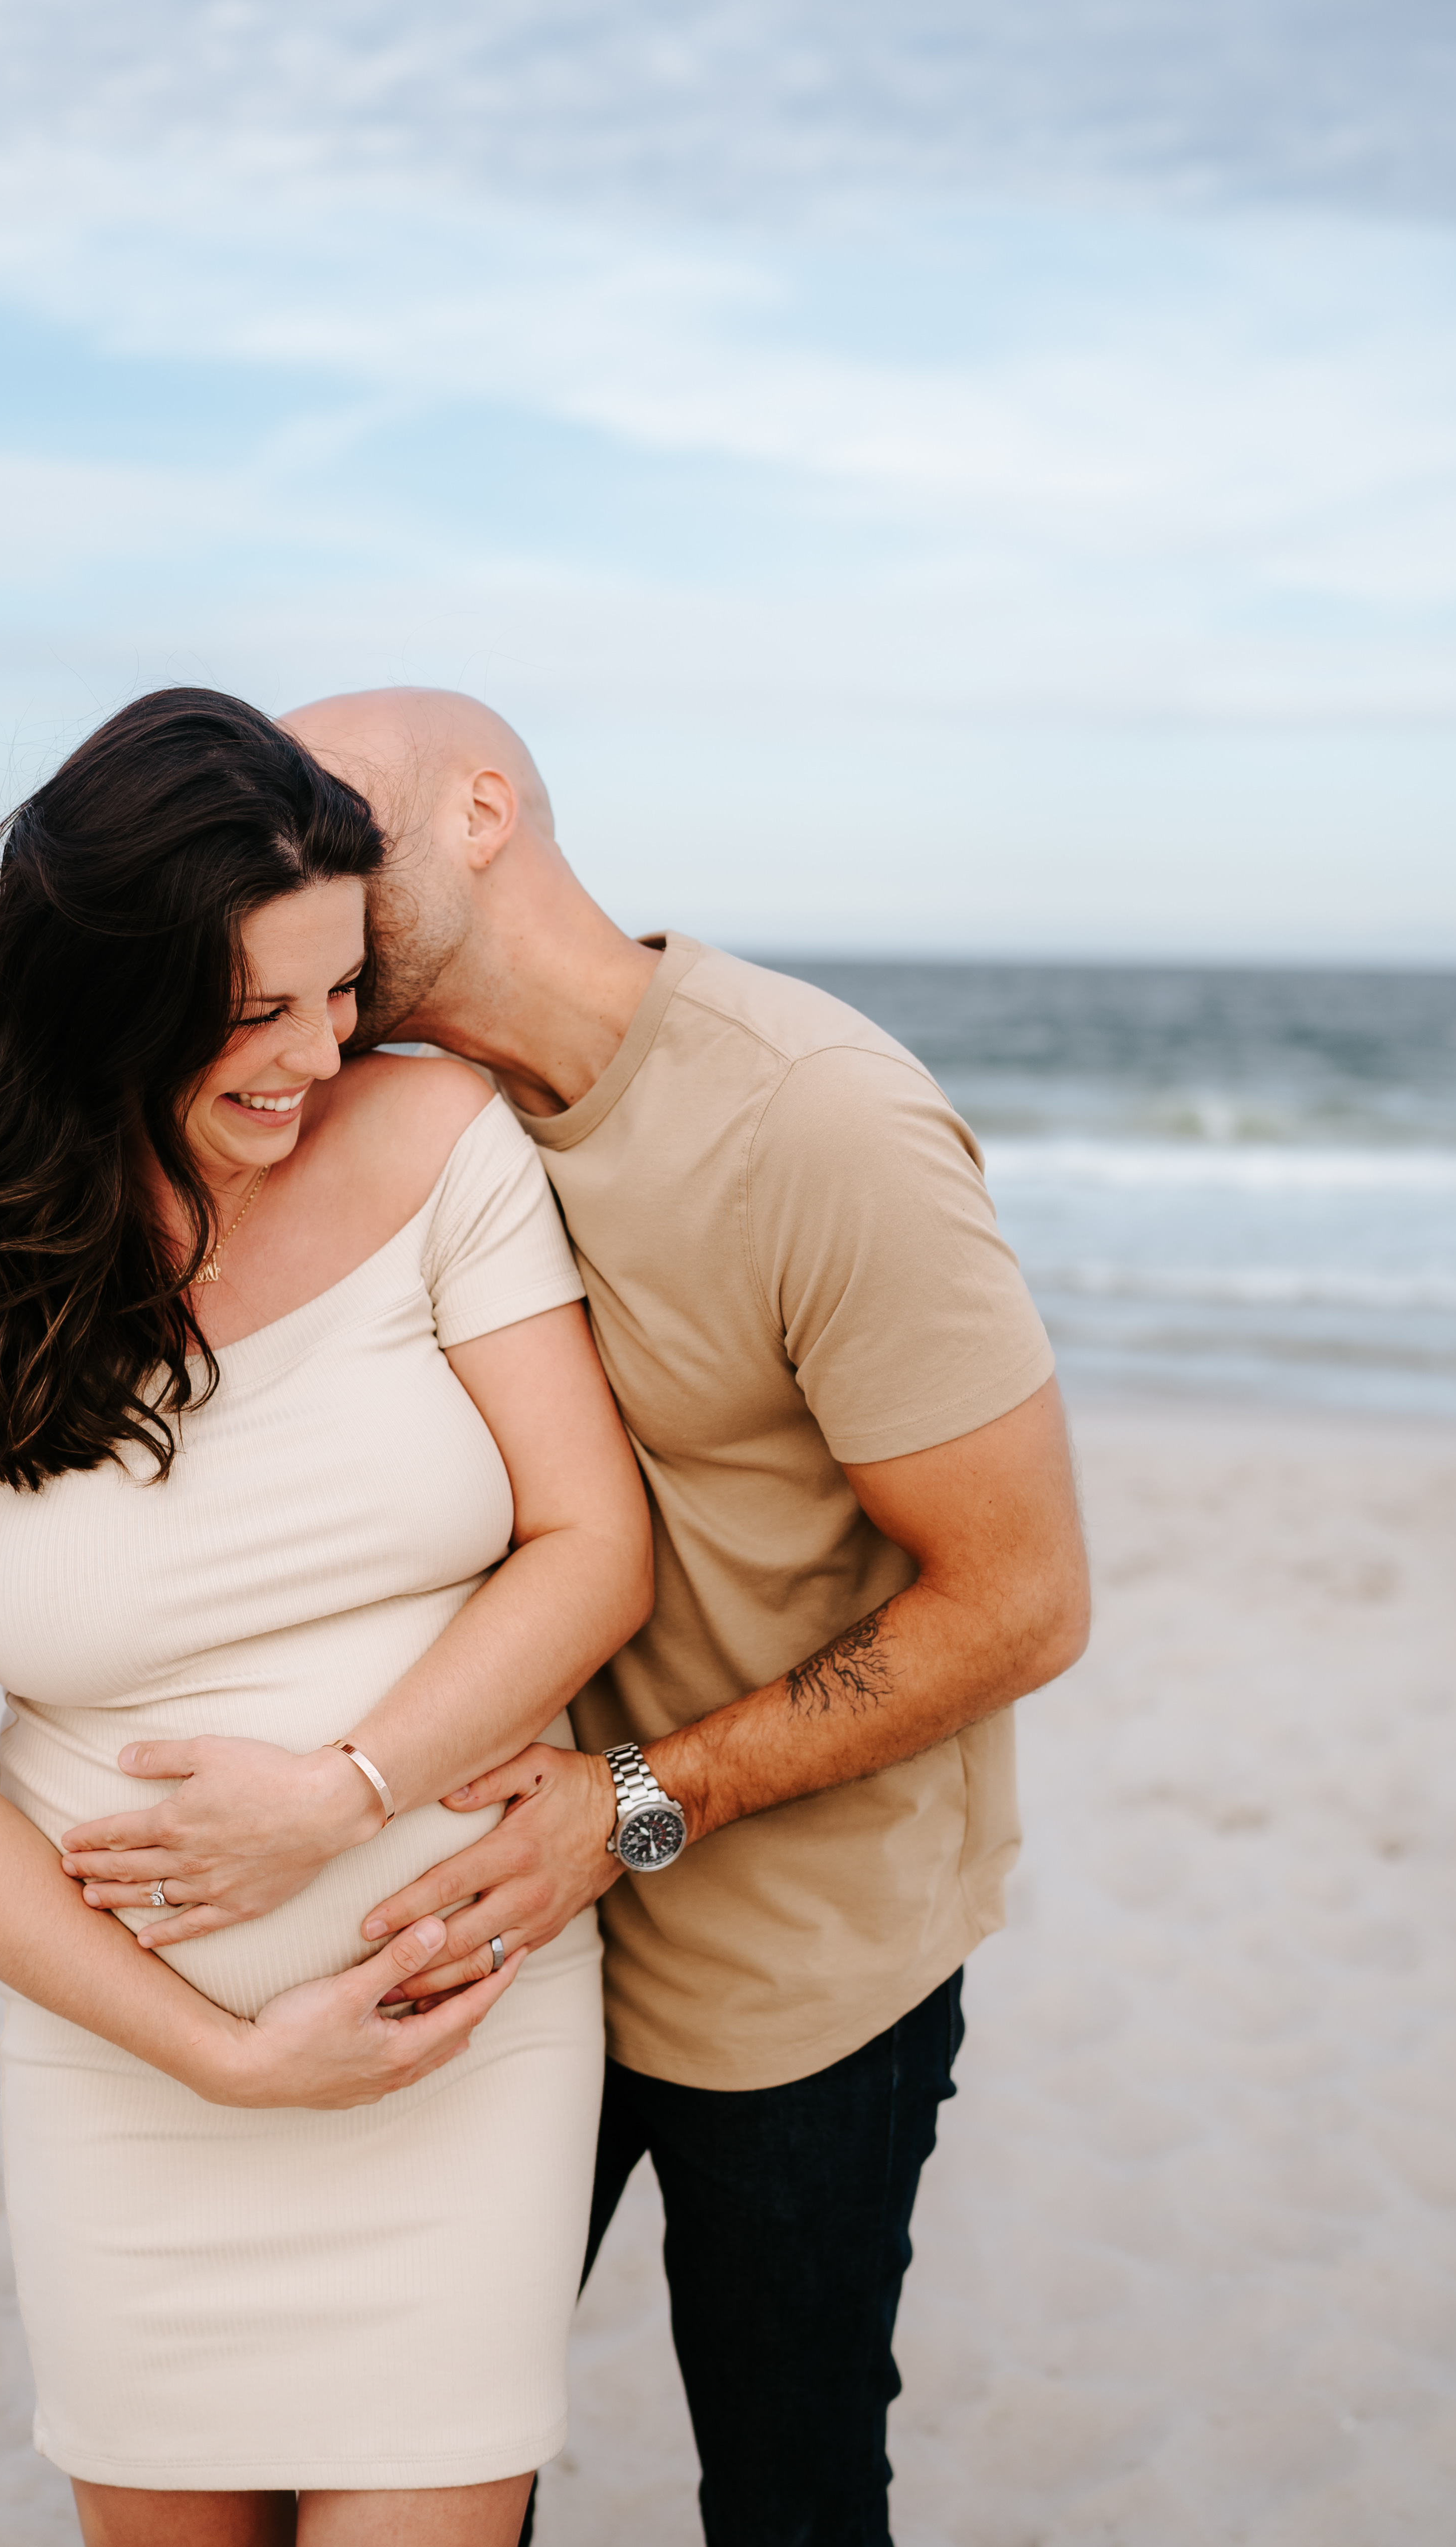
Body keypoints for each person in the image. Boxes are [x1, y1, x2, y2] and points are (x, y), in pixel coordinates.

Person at [98, 688, 1090, 2547]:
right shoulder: (355, 1114)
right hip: (467, 1940)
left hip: (791, 1962)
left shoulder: (819, 1121)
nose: (288, 856)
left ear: (485, 811)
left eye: (336, 813)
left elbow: (1024, 1603)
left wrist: (631, 1806)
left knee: (788, 2486)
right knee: (402, 2462)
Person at [0, 688, 653, 2547]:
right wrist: (222, 2056)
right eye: (254, 1009)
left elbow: (596, 1545)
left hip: (458, 2044)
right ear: (111, 990)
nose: (315, 1054)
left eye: (340, 991)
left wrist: (346, 1792)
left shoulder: (442, 1144)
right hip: (132, 2083)